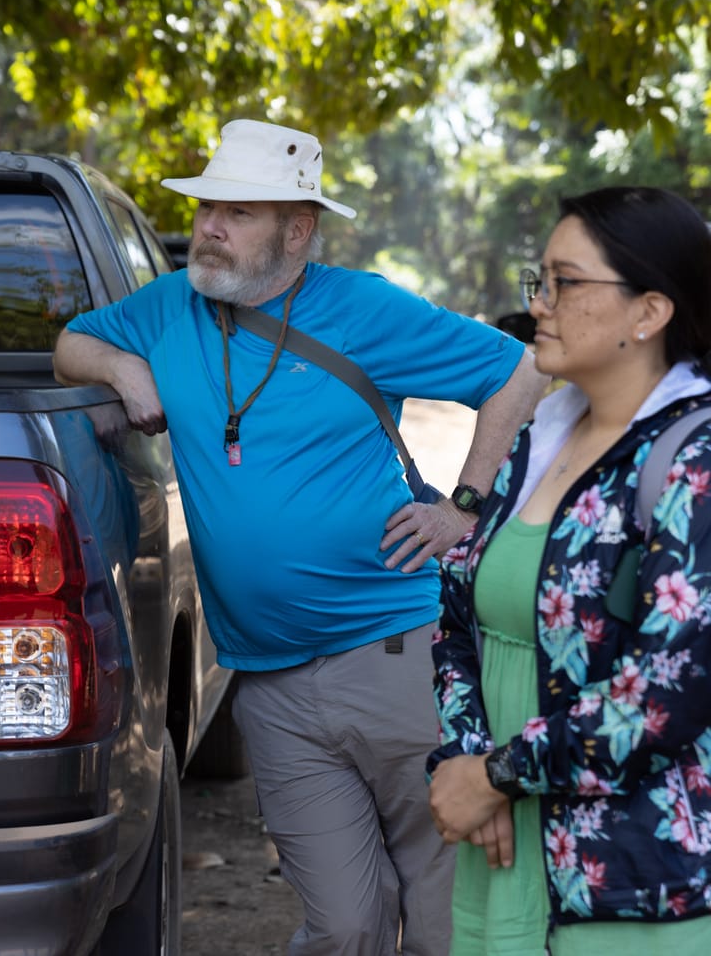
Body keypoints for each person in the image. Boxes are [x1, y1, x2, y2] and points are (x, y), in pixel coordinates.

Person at [53, 118, 544, 956]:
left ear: (299, 229)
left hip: (396, 654)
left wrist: (464, 506)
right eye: (209, 205)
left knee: (439, 922)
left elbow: (521, 370)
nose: (211, 226)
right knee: (344, 924)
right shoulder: (170, 306)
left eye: (239, 212)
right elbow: (71, 343)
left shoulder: (361, 307)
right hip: (271, 685)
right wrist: (123, 368)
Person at [427, 185, 711, 955]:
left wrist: (498, 771)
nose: (539, 304)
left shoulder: (694, 457)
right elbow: (457, 615)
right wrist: (465, 754)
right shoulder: (539, 437)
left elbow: (669, 689)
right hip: (503, 849)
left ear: (649, 313)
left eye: (565, 282)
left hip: (630, 874)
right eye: (539, 280)